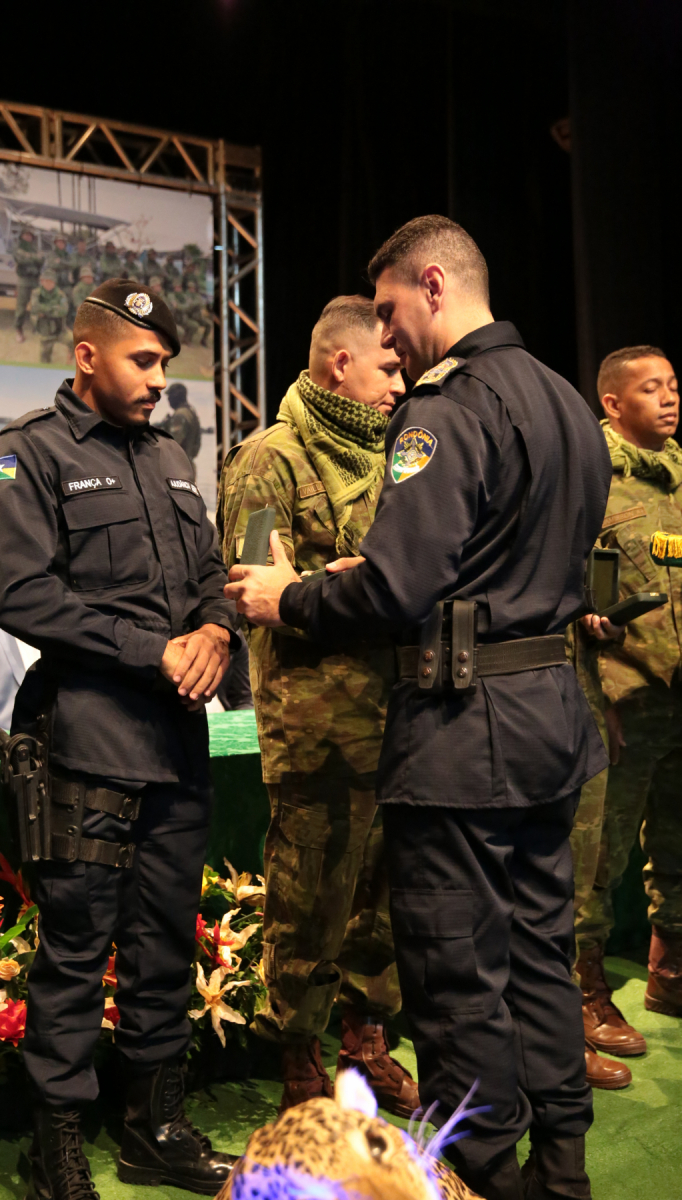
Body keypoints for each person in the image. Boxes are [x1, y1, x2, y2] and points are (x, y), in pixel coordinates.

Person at [225, 215, 612, 1200]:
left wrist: (292, 598)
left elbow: (400, 584)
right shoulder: (567, 403)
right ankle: (560, 1169)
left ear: (434, 285)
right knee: (539, 955)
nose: (390, 340)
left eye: (392, 310)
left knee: (454, 975)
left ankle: (481, 1177)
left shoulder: (447, 407)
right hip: (547, 715)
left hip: (462, 731)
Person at [0, 278, 239, 1198]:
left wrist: (216, 632)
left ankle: (153, 1131)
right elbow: (22, 594)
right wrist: (153, 649)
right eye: (144, 360)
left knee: (165, 943)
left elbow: (209, 575)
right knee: (77, 951)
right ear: (87, 356)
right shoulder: (27, 454)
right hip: (85, 741)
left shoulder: (171, 457)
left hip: (175, 745)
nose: (160, 378)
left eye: (165, 362)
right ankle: (54, 1149)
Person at [218, 295, 419, 1119]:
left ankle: (365, 1043)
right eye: (388, 366)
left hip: (402, 715)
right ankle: (299, 1055)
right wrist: (346, 586)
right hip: (314, 723)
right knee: (309, 902)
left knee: (387, 900)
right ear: (341, 362)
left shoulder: (403, 458)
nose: (400, 383)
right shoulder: (268, 459)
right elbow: (249, 585)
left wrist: (358, 578)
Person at [571, 346, 682, 1068]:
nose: (668, 398)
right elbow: (562, 580)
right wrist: (588, 620)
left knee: (677, 842)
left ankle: (670, 972)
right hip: (620, 696)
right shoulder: (589, 476)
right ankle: (583, 990)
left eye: (673, 386)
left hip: (679, 695)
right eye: (651, 388)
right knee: (598, 855)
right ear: (612, 403)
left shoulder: (681, 474)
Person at [157, 381, 201, 476]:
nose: (168, 399)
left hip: (177, 469)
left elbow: (172, 444)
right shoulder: (190, 412)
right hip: (187, 466)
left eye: (170, 396)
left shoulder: (180, 415)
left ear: (176, 396)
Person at [30, 268, 69, 364]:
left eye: (51, 281)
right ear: (42, 282)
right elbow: (34, 307)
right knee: (45, 354)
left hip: (60, 327)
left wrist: (45, 311)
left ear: (54, 283)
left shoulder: (61, 294)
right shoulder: (36, 293)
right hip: (45, 329)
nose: (48, 284)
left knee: (74, 341)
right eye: (46, 281)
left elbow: (64, 310)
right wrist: (54, 308)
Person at [13, 227, 44, 343]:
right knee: (21, 307)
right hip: (24, 280)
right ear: (21, 236)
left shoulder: (35, 248)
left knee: (36, 305)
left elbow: (41, 260)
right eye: (26, 235)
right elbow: (21, 259)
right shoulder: (18, 248)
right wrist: (34, 257)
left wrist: (29, 256)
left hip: (35, 280)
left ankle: (36, 328)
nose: (28, 237)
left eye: (30, 235)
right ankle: (18, 329)